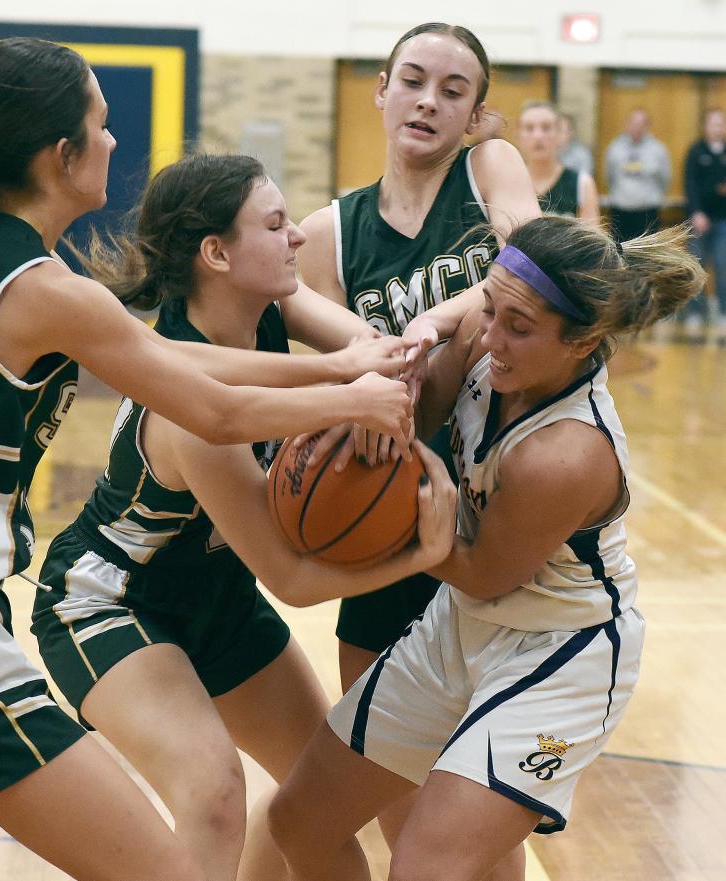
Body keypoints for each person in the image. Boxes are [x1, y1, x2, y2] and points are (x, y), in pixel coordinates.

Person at [0, 39, 420, 881]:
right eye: (101, 124)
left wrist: (337, 367)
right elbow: (210, 406)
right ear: (62, 155)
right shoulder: (45, 288)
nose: (115, 141)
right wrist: (353, 397)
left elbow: (179, 361)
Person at [29, 152, 458, 881]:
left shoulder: (271, 307)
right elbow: (290, 577)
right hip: (111, 602)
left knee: (314, 803)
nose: (297, 237)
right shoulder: (186, 398)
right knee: (215, 793)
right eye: (276, 223)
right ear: (217, 254)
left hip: (218, 599)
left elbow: (366, 346)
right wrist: (426, 549)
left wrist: (399, 360)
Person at [269, 214, 705, 881]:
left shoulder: (567, 454)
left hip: (561, 656)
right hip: (462, 626)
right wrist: (383, 406)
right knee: (298, 820)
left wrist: (405, 520)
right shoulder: (484, 329)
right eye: (490, 309)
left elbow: (481, 571)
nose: (489, 336)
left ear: (583, 340)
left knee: (425, 867)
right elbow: (432, 406)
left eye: (518, 327)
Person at [296, 21, 540, 848]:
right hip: (387, 512)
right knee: (401, 813)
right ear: (380, 88)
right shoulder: (328, 233)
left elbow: (534, 269)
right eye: (413, 79)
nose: (429, 100)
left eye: (453, 89)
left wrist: (433, 324)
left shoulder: (489, 171)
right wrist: (369, 386)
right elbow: (339, 380)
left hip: (498, 505)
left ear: (476, 115)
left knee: (466, 831)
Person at [518, 100, 599, 225]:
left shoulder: (582, 183)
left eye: (546, 128)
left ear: (560, 134)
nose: (537, 136)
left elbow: (593, 241)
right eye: (529, 128)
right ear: (519, 136)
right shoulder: (507, 183)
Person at [681, 107, 726, 330]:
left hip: (723, 220)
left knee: (722, 264)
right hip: (698, 219)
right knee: (695, 266)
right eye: (713, 123)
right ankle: (695, 311)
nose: (717, 128)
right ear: (705, 126)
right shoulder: (696, 151)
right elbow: (690, 184)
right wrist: (696, 212)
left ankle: (722, 310)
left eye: (721, 124)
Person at [606, 108, 671, 241]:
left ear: (647, 126)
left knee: (646, 256)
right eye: (633, 123)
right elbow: (609, 176)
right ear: (627, 124)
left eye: (640, 124)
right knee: (619, 253)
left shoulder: (658, 149)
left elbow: (665, 178)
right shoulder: (615, 147)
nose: (636, 128)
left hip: (647, 212)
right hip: (620, 211)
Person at [558, 111, 594, 178]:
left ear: (571, 133)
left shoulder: (582, 155)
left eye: (561, 130)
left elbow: (584, 183)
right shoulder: (546, 152)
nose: (557, 135)